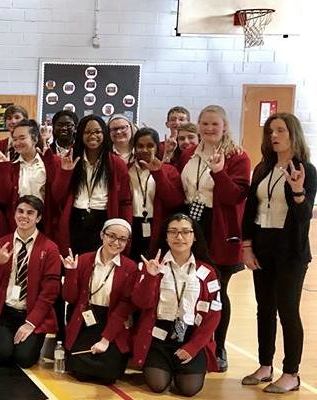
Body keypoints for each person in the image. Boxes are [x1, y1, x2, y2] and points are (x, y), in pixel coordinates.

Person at [240, 113, 314, 393]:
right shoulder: (262, 168)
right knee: (265, 309)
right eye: (271, 131)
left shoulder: (306, 169)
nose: (274, 136)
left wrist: (298, 191)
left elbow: (304, 218)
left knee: (288, 311)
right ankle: (265, 365)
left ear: (293, 134)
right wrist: (247, 246)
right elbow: (250, 210)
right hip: (262, 247)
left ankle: (292, 373)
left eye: (280, 130)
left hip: (290, 252)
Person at [177, 105, 250, 371]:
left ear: (225, 126)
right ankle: (190, 343)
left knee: (217, 291)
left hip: (219, 229)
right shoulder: (189, 154)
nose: (209, 129)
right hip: (191, 224)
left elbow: (235, 197)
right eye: (204, 124)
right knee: (189, 286)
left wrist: (219, 172)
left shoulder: (237, 156)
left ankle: (218, 348)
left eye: (214, 124)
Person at [133, 214, 221, 397]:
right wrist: (150, 277)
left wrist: (193, 347)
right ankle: (165, 367)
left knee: (189, 389)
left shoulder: (207, 272)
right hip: (158, 336)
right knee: (157, 385)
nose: (179, 237)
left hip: (190, 336)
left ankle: (180, 370)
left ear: (194, 236)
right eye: (173, 232)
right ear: (166, 237)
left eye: (185, 232)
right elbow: (140, 302)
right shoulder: (153, 265)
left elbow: (214, 315)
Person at [0, 196, 60, 367]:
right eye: (20, 211)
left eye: (30, 213)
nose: (24, 216)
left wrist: (30, 323)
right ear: (14, 214)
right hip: (6, 312)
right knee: (1, 356)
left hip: (32, 314)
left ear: (38, 218)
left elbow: (50, 292)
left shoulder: (50, 248)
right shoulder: (2, 244)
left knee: (24, 359)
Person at [60, 219, 138, 384]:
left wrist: (105, 339)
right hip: (85, 321)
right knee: (80, 373)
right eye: (112, 236)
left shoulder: (130, 268)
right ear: (102, 235)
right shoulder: (83, 260)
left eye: (122, 239)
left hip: (113, 322)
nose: (116, 242)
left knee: (108, 376)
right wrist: (71, 272)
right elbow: (69, 298)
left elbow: (124, 308)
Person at [53, 114, 132, 254]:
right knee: (75, 261)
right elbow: (57, 197)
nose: (93, 136)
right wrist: (65, 172)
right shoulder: (70, 159)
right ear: (80, 134)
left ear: (104, 134)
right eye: (87, 132)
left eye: (97, 132)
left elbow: (125, 201)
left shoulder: (116, 164)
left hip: (104, 220)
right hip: (75, 220)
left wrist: (125, 228)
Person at [0, 119, 58, 232]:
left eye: (22, 138)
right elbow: (2, 198)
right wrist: (3, 167)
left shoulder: (51, 162)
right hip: (18, 223)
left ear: (34, 139)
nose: (17, 143)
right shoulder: (11, 166)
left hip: (44, 223)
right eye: (14, 139)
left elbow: (58, 195)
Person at [128, 128, 184, 260]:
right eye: (140, 146)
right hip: (132, 223)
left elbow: (174, 201)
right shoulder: (126, 170)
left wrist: (158, 173)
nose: (145, 150)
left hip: (158, 224)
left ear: (157, 147)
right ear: (134, 147)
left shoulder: (169, 170)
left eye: (150, 145)